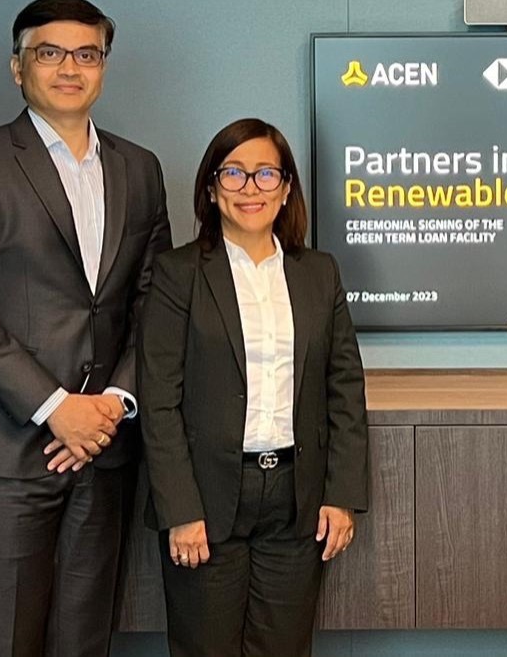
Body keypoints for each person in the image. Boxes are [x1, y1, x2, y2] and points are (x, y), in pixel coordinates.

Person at [0, 0, 171, 657]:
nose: (70, 67)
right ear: (17, 67)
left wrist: (112, 406)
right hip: (5, 447)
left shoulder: (139, 169)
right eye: (49, 52)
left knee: (84, 638)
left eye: (86, 53)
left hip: (105, 445)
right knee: (6, 638)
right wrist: (56, 407)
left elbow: (153, 302)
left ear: (103, 67)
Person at [139, 118, 369, 657]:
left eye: (266, 174)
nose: (250, 188)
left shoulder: (319, 273)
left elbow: (344, 388)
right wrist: (179, 509)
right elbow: (159, 399)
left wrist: (342, 495)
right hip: (207, 499)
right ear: (211, 188)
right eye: (235, 173)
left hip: (296, 498)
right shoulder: (178, 274)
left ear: (286, 188)